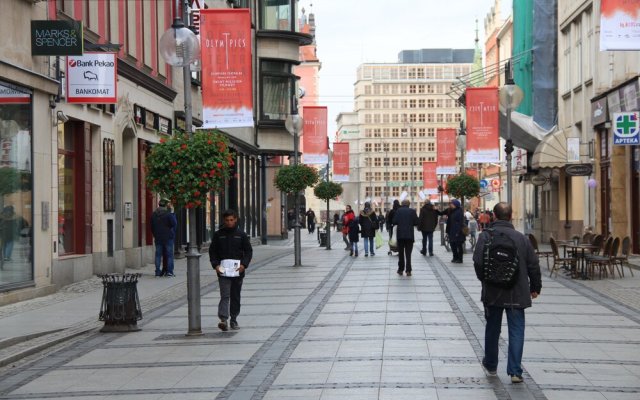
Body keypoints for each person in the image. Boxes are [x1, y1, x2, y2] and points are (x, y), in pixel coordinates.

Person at [472, 202, 542, 383]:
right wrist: (535, 287)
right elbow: (533, 265)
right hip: (517, 292)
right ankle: (515, 371)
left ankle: (491, 365)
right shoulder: (521, 239)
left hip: (493, 291)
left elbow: (478, 261)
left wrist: (485, 279)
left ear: (493, 216)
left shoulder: (485, 236)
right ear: (511, 216)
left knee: (492, 328)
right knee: (517, 330)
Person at [209, 209, 253, 331]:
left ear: (235, 220)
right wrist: (216, 265)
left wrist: (244, 265)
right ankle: (223, 319)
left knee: (235, 295)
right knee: (225, 295)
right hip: (223, 271)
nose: (229, 222)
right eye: (227, 220)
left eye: (231, 220)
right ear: (224, 220)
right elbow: (213, 251)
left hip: (238, 271)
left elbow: (248, 251)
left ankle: (234, 319)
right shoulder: (218, 235)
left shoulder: (241, 235)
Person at [150, 199, 177, 277]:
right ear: (165, 205)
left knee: (158, 255)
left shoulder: (154, 214)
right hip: (168, 237)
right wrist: (172, 212)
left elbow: (152, 227)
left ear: (159, 205)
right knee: (169, 255)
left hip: (158, 237)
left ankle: (157, 272)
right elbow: (174, 223)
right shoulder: (168, 214)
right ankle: (169, 272)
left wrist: (155, 234)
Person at [392, 199, 418, 276]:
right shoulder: (412, 211)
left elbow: (394, 221)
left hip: (400, 236)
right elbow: (416, 222)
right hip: (409, 235)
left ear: (402, 204)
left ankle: (400, 269)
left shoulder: (398, 211)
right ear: (409, 204)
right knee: (408, 254)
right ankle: (408, 270)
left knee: (401, 253)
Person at [445, 199, 465, 263]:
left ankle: (460, 259)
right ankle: (455, 257)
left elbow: (460, 223)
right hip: (451, 231)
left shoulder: (459, 211)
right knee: (452, 245)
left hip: (457, 231)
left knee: (458, 245)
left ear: (456, 205)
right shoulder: (451, 211)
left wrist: (458, 232)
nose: (450, 205)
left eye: (452, 204)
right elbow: (450, 221)